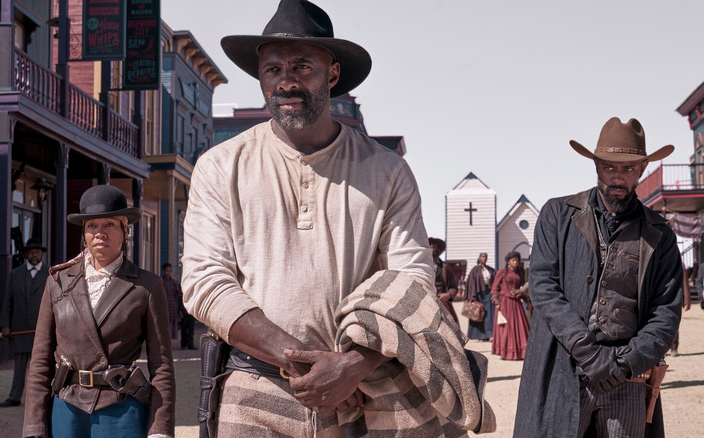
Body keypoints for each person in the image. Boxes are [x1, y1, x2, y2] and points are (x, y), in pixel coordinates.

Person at [182, 1, 493, 436]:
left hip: (363, 392)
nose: (285, 81)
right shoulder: (221, 165)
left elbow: (413, 283)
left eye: (301, 67)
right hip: (253, 390)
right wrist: (302, 363)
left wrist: (351, 366)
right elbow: (204, 282)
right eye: (272, 70)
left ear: (331, 74)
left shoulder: (386, 171)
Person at [514, 117, 684, 437]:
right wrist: (589, 353)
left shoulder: (659, 234)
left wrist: (624, 364)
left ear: (643, 169)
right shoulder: (557, 215)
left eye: (629, 169)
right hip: (564, 370)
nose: (617, 177)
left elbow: (666, 311)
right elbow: (544, 287)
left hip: (627, 380)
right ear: (595, 165)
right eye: (609, 167)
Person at [23, 185, 175, 438]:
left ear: (125, 228)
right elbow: (40, 360)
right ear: (84, 233)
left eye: (109, 225)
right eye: (92, 226)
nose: (99, 233)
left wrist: (160, 429)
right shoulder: (58, 281)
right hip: (66, 408)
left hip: (122, 408)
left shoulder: (147, 286)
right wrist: (33, 426)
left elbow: (162, 367)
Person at [0, 238, 48, 408]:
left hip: (42, 330)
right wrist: (6, 324)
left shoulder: (50, 274)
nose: (34, 255)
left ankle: (42, 400)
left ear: (42, 254)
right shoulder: (15, 274)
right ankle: (14, 397)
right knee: (19, 367)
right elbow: (7, 301)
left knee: (41, 368)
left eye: (37, 252)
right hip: (19, 329)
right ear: (26, 254)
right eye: (31, 252)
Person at [490, 251, 530, 360]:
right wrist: (497, 302)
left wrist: (523, 296)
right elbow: (494, 289)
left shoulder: (519, 273)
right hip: (505, 302)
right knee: (507, 327)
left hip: (516, 303)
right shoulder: (501, 272)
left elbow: (520, 288)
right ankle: (506, 352)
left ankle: (520, 352)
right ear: (508, 261)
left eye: (517, 260)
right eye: (513, 260)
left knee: (519, 326)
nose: (516, 262)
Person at [465, 253, 496, 341]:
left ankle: (490, 335)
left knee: (489, 314)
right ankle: (479, 335)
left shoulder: (490, 269)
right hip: (478, 294)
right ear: (479, 258)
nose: (484, 258)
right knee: (477, 313)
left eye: (486, 257)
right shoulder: (475, 270)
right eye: (483, 257)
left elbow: (495, 280)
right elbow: (470, 283)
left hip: (488, 293)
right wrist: (471, 296)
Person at [429, 237, 460, 325]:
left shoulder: (446, 267)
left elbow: (454, 287)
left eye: (434, 245)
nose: (432, 247)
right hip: (425, 302)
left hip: (443, 303)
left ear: (438, 249)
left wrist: (448, 295)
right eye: (429, 245)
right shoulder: (420, 266)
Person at [161, 263, 181, 342]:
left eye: (170, 271)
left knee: (172, 323)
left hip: (172, 305)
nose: (168, 273)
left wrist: (179, 308)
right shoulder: (161, 282)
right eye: (166, 271)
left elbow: (178, 295)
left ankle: (169, 341)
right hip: (164, 305)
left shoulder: (174, 282)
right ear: (164, 271)